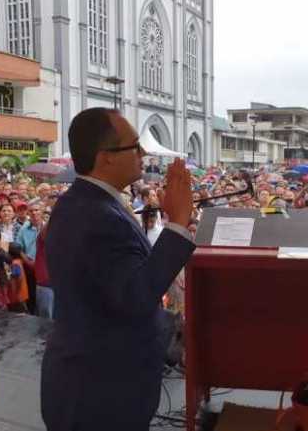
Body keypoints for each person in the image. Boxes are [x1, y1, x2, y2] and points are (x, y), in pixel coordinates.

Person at [41, 107, 195, 431]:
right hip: (99, 394)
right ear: (106, 157)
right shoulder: (98, 217)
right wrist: (178, 222)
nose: (142, 153)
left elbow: (109, 290)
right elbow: (135, 296)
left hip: (90, 384)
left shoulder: (89, 204)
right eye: (134, 145)